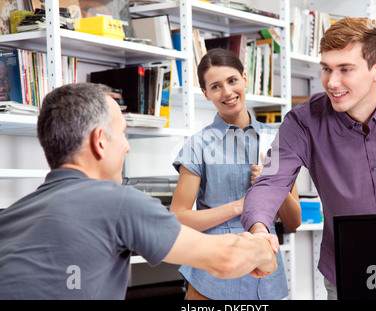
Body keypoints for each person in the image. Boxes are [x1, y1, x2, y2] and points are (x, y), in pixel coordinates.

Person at [0, 82, 278, 299]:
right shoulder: (116, 202)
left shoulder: (10, 218)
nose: (127, 146)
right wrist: (262, 248)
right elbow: (226, 259)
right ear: (100, 141)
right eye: (122, 133)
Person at [241, 17, 376, 300]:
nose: (331, 82)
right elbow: (270, 181)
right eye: (326, 68)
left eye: (345, 69)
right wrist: (258, 231)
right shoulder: (302, 122)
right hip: (347, 271)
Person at [170, 48, 301, 300]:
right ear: (206, 94)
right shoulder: (198, 145)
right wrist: (238, 207)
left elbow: (293, 221)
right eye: (216, 86)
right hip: (212, 273)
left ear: (244, 78)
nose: (227, 92)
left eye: (232, 81)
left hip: (265, 268)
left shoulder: (275, 140)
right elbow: (178, 217)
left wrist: (272, 184)